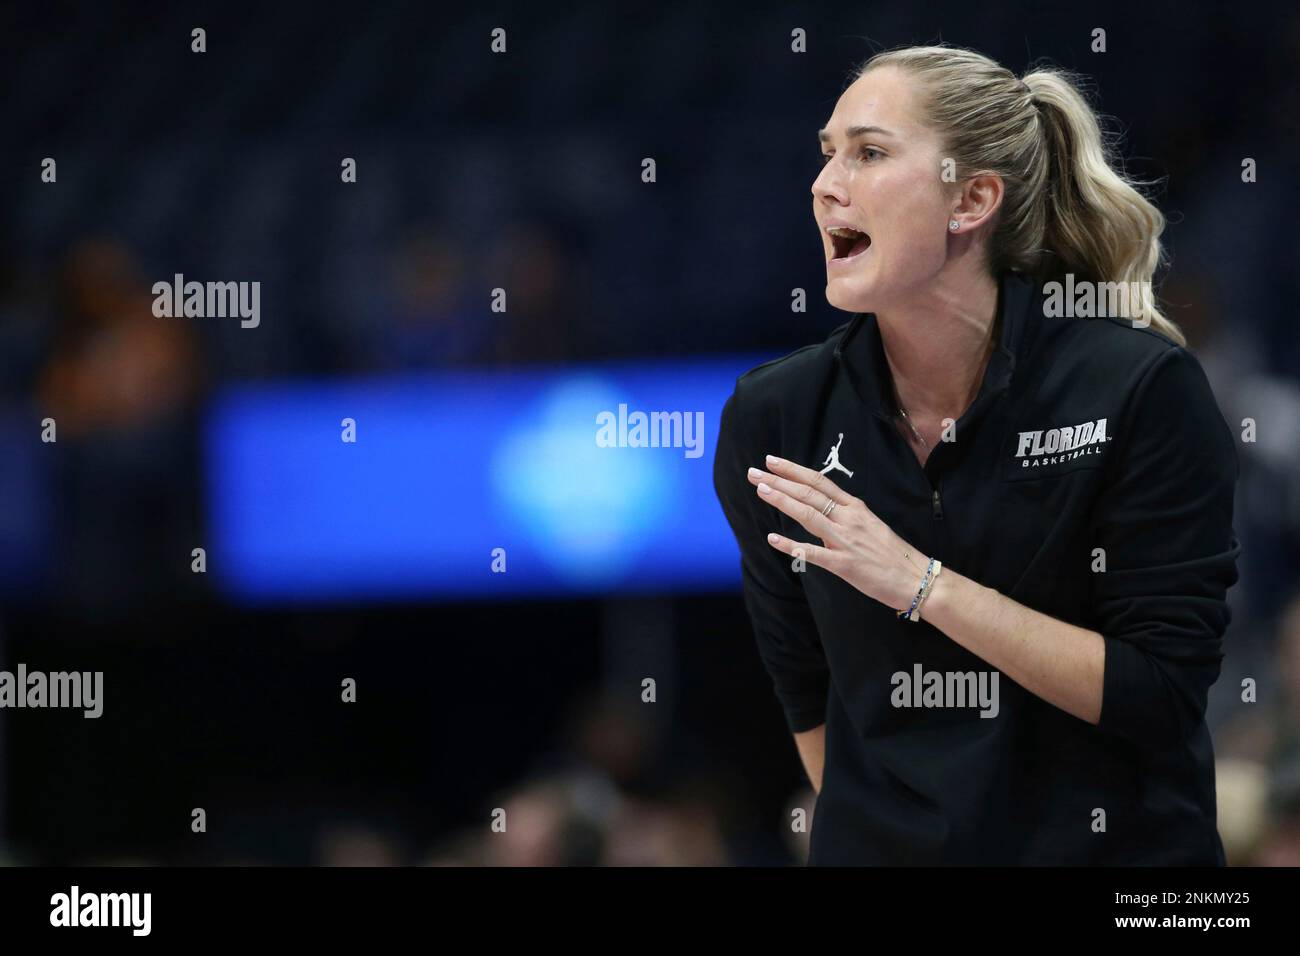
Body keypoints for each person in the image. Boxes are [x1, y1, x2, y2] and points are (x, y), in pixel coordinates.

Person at [712, 45, 1241, 865]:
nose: (824, 186)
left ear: (973, 200)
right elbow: (807, 698)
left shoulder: (1135, 387)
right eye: (827, 154)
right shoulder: (777, 416)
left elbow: (1161, 694)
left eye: (870, 152)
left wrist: (921, 584)